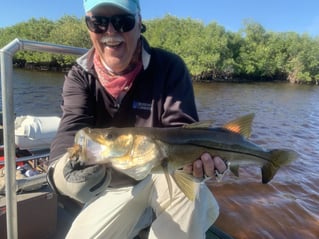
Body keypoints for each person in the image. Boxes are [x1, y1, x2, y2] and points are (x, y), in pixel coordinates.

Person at [47, 0, 228, 238]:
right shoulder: (80, 76)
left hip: (163, 175)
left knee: (192, 192)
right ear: (88, 27)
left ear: (139, 22)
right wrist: (63, 173)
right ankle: (142, 218)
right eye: (98, 22)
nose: (110, 31)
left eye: (123, 21)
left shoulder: (169, 67)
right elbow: (71, 128)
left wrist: (201, 168)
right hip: (112, 189)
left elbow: (182, 131)